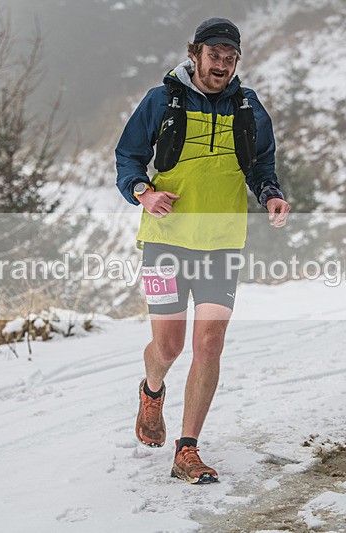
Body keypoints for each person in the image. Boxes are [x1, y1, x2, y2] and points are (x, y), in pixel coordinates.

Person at [115, 17, 290, 484]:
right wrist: (143, 193)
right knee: (168, 345)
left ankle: (187, 450)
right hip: (163, 240)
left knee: (209, 343)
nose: (223, 65)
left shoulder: (248, 108)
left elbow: (261, 163)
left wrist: (269, 193)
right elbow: (128, 157)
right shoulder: (161, 100)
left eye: (231, 58)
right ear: (195, 54)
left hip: (222, 242)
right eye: (215, 55)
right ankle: (152, 392)